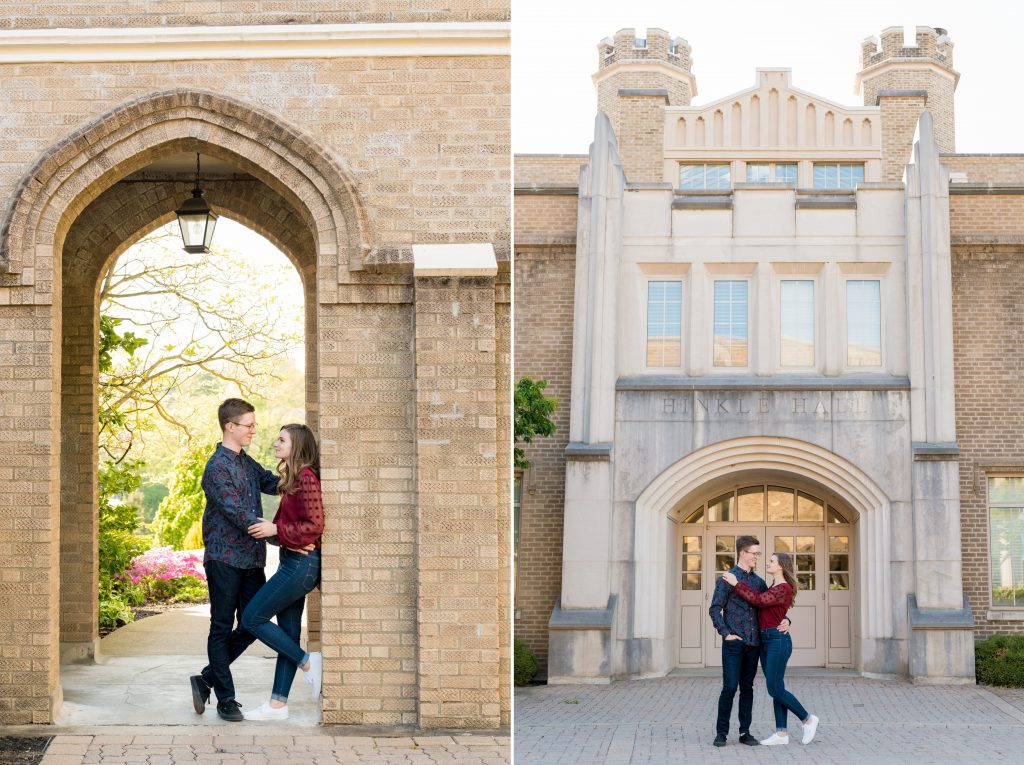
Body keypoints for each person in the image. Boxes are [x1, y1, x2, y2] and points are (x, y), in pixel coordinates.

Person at [190, 398, 281, 722]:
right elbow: (239, 515)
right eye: (249, 425)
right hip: (224, 558)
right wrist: (282, 535)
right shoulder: (217, 467)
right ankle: (226, 699)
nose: (254, 431)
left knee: (253, 623)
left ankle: (207, 679)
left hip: (251, 559)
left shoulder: (245, 462)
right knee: (221, 626)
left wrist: (300, 476)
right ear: (231, 426)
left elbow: (270, 482)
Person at [238, 424, 326, 721]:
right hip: (293, 561)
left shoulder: (306, 478)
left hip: (301, 567)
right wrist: (274, 531)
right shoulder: (294, 478)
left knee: (252, 617)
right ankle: (278, 705)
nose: (276, 444)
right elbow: (294, 528)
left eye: (281, 440)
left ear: (297, 445)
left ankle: (307, 663)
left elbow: (314, 526)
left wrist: (276, 529)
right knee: (287, 633)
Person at [723, 552, 820, 746]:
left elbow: (758, 601)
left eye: (772, 561)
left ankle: (808, 719)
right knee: (778, 687)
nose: (767, 563)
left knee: (774, 688)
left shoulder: (783, 587)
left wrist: (736, 583)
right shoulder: (773, 586)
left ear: (781, 566)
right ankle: (781, 734)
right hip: (766, 640)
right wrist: (786, 619)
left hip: (777, 641)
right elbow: (770, 611)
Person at [708, 535, 791, 747]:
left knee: (748, 688)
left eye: (758, 553)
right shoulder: (727, 579)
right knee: (729, 687)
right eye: (754, 553)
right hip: (733, 644)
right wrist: (725, 632)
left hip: (754, 644)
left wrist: (786, 619)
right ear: (742, 552)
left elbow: (769, 605)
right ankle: (722, 733)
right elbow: (715, 608)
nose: (757, 557)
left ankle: (745, 732)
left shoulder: (758, 582)